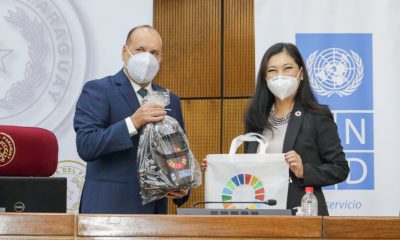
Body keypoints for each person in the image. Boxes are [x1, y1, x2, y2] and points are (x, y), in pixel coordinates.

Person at [202, 42, 349, 215]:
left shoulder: (318, 116)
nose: (280, 76)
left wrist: (304, 170)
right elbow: (253, 169)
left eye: (287, 68)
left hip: (301, 214)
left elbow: (340, 168)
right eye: (272, 70)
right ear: (265, 77)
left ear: (301, 74)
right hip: (258, 213)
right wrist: (219, 169)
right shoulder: (256, 117)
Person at [74, 25, 189, 214]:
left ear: (161, 58)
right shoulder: (98, 90)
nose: (147, 58)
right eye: (140, 50)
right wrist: (133, 122)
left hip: (156, 216)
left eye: (154, 52)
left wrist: (183, 187)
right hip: (108, 212)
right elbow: (87, 145)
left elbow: (178, 153)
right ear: (124, 52)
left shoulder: (170, 99)